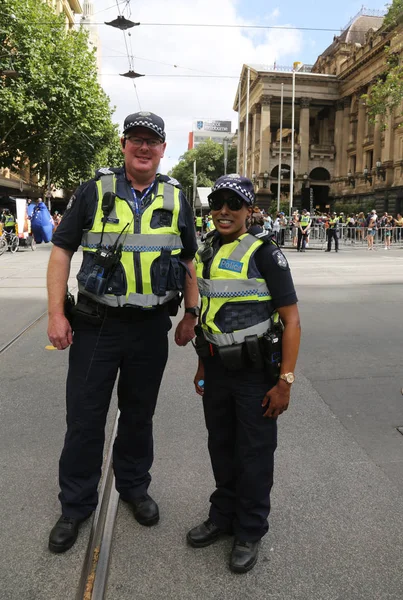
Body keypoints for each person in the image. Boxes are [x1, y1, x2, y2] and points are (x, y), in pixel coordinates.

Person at [46, 111, 199, 553]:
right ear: (124, 144)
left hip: (150, 328)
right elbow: (61, 251)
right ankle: (75, 506)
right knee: (85, 419)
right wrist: (57, 314)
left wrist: (191, 313)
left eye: (152, 141)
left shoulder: (176, 196)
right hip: (97, 325)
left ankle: (133, 487)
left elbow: (188, 259)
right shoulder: (95, 190)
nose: (144, 147)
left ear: (163, 148)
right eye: (136, 139)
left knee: (138, 415)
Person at [187, 174, 301, 574]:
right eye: (218, 203)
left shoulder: (266, 254)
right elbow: (207, 316)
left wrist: (284, 382)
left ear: (250, 210)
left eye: (233, 204)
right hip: (217, 367)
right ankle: (223, 516)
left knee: (253, 454)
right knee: (221, 445)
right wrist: (203, 363)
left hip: (255, 374)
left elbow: (292, 321)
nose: (223, 211)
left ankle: (249, 530)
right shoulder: (206, 251)